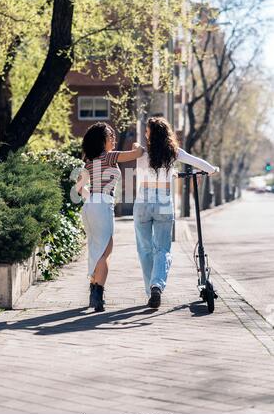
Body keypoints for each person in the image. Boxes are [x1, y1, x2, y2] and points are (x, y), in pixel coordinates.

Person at [134, 116, 219, 309]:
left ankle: (151, 291)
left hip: (143, 201)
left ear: (151, 134)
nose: (145, 133)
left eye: (147, 130)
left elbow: (132, 152)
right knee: (162, 249)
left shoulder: (142, 153)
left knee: (144, 249)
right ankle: (157, 285)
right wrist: (212, 170)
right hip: (163, 200)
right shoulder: (174, 153)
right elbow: (200, 163)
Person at [75, 122, 144, 312]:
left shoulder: (89, 161)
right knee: (105, 252)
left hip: (89, 207)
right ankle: (97, 295)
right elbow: (136, 154)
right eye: (110, 136)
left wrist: (92, 198)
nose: (113, 139)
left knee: (95, 249)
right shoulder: (111, 156)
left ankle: (92, 291)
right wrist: (138, 146)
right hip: (103, 205)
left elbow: (78, 188)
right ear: (102, 140)